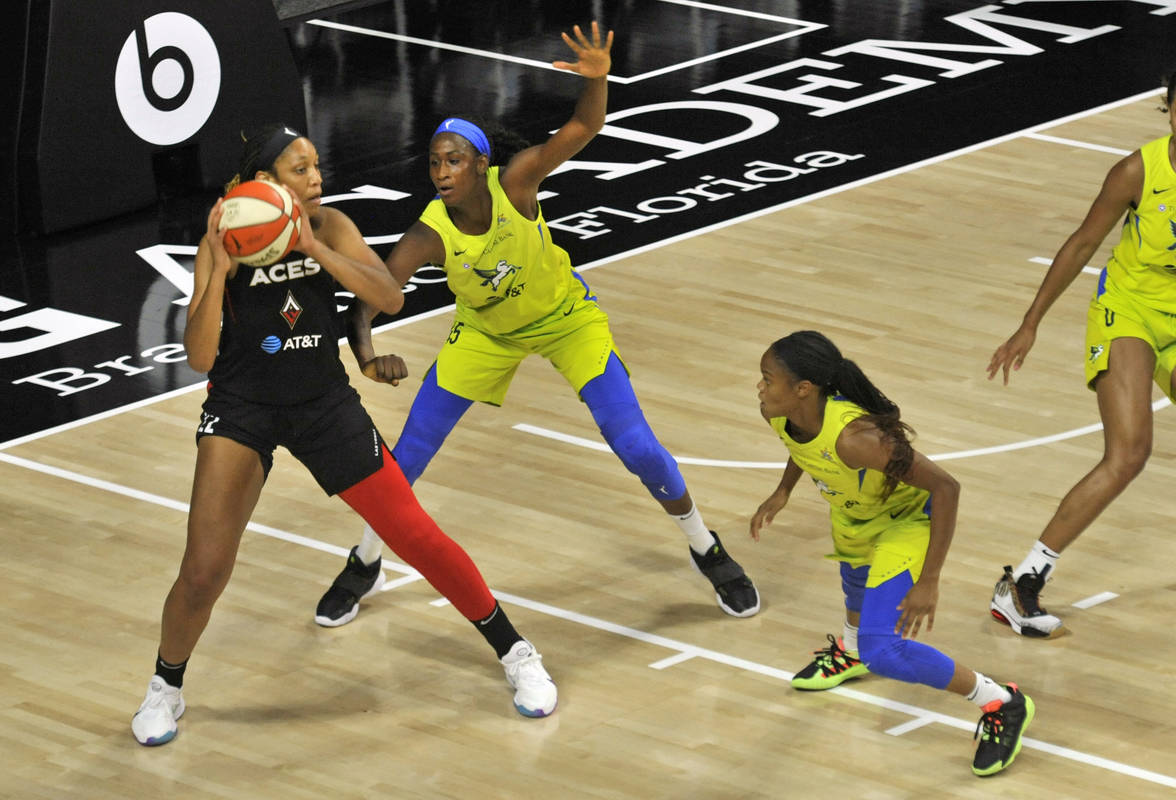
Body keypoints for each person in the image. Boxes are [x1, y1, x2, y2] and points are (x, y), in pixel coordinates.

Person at [313, 22, 759, 627]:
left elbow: (583, 127)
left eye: (454, 160)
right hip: (485, 334)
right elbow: (369, 301)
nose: (441, 172)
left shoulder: (516, 182)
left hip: (565, 320)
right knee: (406, 457)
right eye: (434, 162)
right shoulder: (429, 233)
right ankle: (366, 561)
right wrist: (367, 358)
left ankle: (706, 545)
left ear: (481, 164)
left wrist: (597, 80)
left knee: (636, 446)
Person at [130, 124, 558, 747]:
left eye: (316, 168)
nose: (316, 179)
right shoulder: (220, 238)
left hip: (322, 404)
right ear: (267, 182)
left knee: (415, 534)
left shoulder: (329, 226)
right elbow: (198, 357)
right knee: (203, 570)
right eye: (301, 170)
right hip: (242, 406)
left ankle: (516, 652)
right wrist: (220, 271)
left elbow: (387, 295)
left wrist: (313, 246)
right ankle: (165, 688)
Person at [750, 331, 1034, 777]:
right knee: (856, 597)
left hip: (904, 522)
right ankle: (850, 650)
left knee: (884, 649)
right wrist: (782, 491)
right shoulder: (781, 414)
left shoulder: (856, 438)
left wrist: (930, 580)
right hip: (853, 517)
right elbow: (801, 447)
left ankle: (1001, 701)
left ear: (803, 389)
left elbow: (946, 487)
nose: (760, 387)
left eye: (768, 379)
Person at [985, 70, 1176, 638]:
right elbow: (1083, 243)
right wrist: (1030, 324)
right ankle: (1022, 584)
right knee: (1129, 452)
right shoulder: (1139, 170)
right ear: (1169, 108)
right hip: (1130, 309)